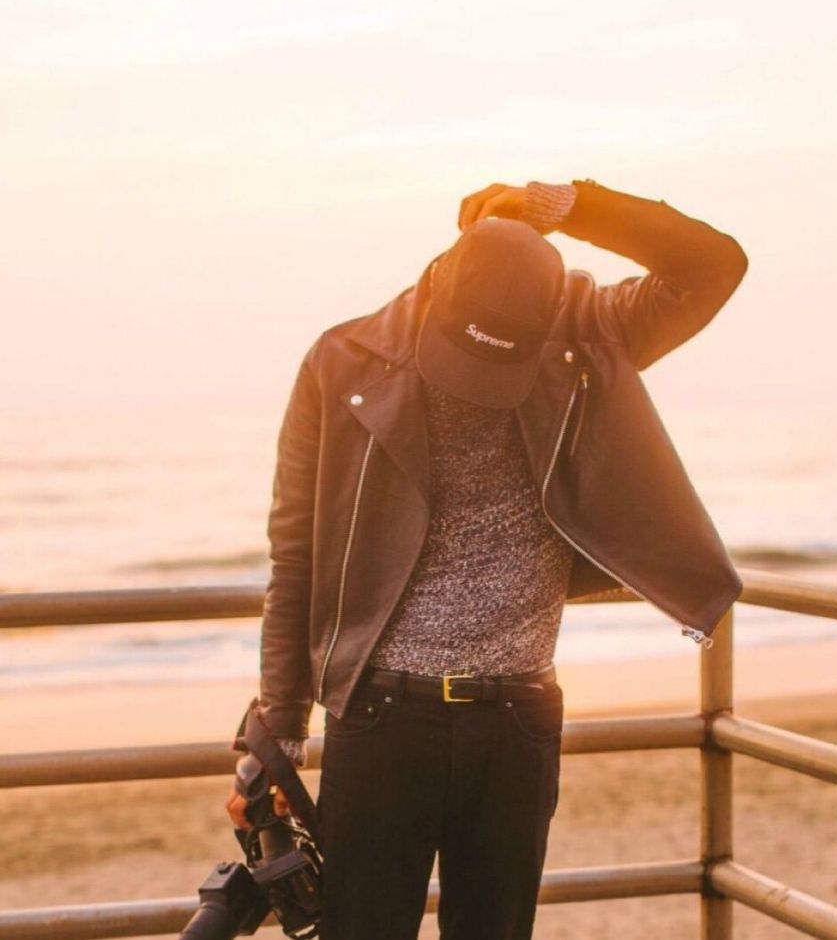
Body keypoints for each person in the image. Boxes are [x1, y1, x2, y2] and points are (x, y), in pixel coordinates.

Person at [226, 178, 748, 939]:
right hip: (378, 717)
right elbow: (297, 553)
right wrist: (278, 732)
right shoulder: (344, 361)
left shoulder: (589, 336)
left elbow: (712, 266)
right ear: (437, 281)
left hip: (517, 721)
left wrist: (576, 206)